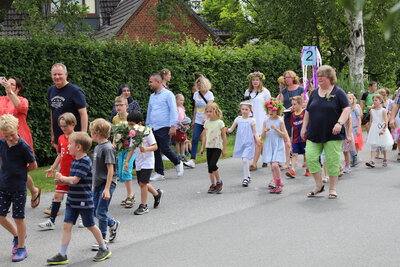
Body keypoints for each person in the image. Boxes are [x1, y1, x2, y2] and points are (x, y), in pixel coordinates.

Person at [47, 132, 111, 265]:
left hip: (83, 201)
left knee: (90, 225)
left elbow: (75, 180)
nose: (68, 146)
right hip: (72, 200)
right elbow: (73, 181)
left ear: (78, 147)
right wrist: (62, 182)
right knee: (66, 225)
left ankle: (104, 248)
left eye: (70, 144)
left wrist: (62, 178)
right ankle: (62, 254)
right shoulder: (75, 160)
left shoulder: (85, 161)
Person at [300, 65, 350, 199]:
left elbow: (346, 109)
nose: (319, 78)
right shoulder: (315, 92)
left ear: (330, 77)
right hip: (314, 132)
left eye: (322, 76)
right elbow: (308, 111)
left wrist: (339, 123)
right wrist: (304, 127)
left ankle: (332, 188)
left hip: (332, 133)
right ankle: (319, 185)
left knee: (332, 160)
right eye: (318, 76)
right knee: (310, 157)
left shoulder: (338, 92)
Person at [0, 114, 37, 262]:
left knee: (18, 217)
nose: (10, 138)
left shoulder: (23, 147)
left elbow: (33, 165)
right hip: (3, 185)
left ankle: (21, 248)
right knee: (1, 217)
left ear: (17, 128)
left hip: (18, 187)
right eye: (6, 135)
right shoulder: (2, 143)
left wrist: (20, 172)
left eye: (12, 134)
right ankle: (17, 236)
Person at [0, 78, 41, 208]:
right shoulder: (1, 100)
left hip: (19, 139)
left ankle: (33, 190)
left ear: (18, 88)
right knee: (4, 168)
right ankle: (7, 197)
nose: (9, 86)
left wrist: (10, 92)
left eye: (12, 85)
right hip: (3, 139)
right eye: (8, 84)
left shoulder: (23, 100)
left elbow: (21, 108)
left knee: (19, 169)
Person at [39, 113, 76, 230]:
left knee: (76, 197)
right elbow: (60, 155)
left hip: (74, 173)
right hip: (63, 172)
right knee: (57, 195)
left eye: (65, 126)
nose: (63, 129)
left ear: (73, 124)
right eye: (61, 126)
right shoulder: (60, 138)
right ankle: (51, 221)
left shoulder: (77, 138)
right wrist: (53, 168)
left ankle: (82, 218)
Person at [125, 111, 164, 215]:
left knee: (143, 183)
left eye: (132, 124)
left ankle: (143, 206)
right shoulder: (133, 134)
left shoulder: (147, 132)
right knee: (142, 183)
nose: (130, 127)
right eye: (129, 124)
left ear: (140, 124)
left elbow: (155, 146)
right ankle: (156, 194)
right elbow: (131, 148)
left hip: (148, 161)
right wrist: (127, 161)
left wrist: (146, 149)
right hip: (139, 161)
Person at [89, 118, 120, 249]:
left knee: (101, 212)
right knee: (95, 212)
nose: (90, 133)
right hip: (97, 184)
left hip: (107, 184)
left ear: (96, 132)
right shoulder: (97, 147)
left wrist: (107, 189)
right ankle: (113, 223)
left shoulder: (108, 148)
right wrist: (93, 185)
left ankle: (102, 239)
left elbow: (110, 169)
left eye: (91, 131)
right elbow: (96, 169)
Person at [146, 73, 183, 181]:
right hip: (153, 127)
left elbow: (173, 110)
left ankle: (177, 162)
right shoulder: (152, 96)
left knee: (165, 148)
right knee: (155, 150)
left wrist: (173, 126)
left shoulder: (168, 94)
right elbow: (149, 111)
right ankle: (159, 172)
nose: (149, 84)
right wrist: (147, 125)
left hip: (165, 126)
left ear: (158, 82)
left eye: (151, 82)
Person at [48, 63, 88, 149]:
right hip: (59, 136)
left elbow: (83, 114)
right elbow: (52, 112)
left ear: (66, 74)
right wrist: (53, 134)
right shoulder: (51, 90)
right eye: (54, 74)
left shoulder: (75, 91)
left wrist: (83, 135)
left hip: (73, 136)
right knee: (62, 159)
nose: (57, 77)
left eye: (60, 74)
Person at [227, 101, 261, 187]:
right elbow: (231, 129)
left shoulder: (251, 120)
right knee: (244, 160)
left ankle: (245, 178)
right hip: (240, 143)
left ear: (250, 110)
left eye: (246, 109)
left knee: (245, 159)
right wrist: (223, 129)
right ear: (240, 109)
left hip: (248, 143)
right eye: (243, 109)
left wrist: (258, 140)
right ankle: (248, 176)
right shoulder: (238, 119)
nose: (244, 111)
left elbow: (255, 132)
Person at [243, 72, 271, 171]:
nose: (255, 82)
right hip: (251, 119)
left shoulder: (265, 92)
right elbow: (245, 105)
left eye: (257, 80)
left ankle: (254, 164)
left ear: (260, 81)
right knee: (257, 141)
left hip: (261, 119)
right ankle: (266, 158)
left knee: (257, 140)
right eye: (253, 80)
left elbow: (269, 106)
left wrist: (269, 118)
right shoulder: (248, 92)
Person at [112, 96, 136, 208]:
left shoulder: (130, 118)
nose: (118, 107)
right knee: (121, 172)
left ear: (126, 106)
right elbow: (114, 133)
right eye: (116, 105)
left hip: (130, 148)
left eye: (120, 105)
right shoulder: (115, 119)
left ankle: (131, 195)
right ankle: (128, 194)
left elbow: (136, 133)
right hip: (120, 149)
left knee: (127, 170)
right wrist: (114, 143)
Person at [184, 76, 214, 168]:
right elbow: (196, 108)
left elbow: (210, 108)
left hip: (208, 120)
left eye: (200, 85)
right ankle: (192, 160)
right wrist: (193, 120)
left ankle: (212, 158)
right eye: (198, 85)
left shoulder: (209, 94)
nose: (199, 87)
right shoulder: (196, 94)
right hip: (198, 120)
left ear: (205, 85)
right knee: (195, 138)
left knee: (210, 139)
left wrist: (206, 118)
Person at [261, 99, 288, 194]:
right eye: (269, 110)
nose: (271, 112)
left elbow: (284, 134)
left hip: (277, 144)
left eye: (273, 110)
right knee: (272, 166)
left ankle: (279, 183)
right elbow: (263, 137)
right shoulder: (266, 121)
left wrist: (276, 130)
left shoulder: (280, 121)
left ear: (277, 111)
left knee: (275, 165)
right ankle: (276, 184)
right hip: (269, 144)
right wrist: (264, 132)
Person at [200, 103, 227, 194]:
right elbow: (204, 136)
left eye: (210, 111)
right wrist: (202, 148)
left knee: (212, 164)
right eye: (207, 111)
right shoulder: (206, 123)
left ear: (216, 111)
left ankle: (219, 181)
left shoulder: (220, 123)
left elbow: (224, 136)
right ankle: (213, 184)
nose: (208, 113)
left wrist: (224, 149)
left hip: (217, 146)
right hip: (209, 146)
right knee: (210, 168)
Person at [365, 94, 394, 168]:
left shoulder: (383, 110)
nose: (374, 102)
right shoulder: (371, 110)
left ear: (380, 101)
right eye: (373, 100)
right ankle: (372, 161)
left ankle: (385, 159)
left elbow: (385, 121)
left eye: (376, 100)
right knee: (373, 145)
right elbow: (371, 121)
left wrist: (384, 130)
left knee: (383, 145)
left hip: (381, 128)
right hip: (374, 129)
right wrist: (370, 130)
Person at [285, 96, 309, 178]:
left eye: (295, 104)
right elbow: (292, 127)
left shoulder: (305, 113)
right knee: (294, 153)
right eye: (292, 104)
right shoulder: (293, 115)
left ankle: (308, 169)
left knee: (306, 153)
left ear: (300, 104)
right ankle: (293, 170)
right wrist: (291, 138)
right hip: (295, 138)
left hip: (304, 137)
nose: (293, 106)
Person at [277, 70, 304, 137]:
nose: (287, 79)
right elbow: (280, 104)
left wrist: (294, 107)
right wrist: (284, 108)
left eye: (289, 77)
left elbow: (305, 102)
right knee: (288, 136)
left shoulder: (301, 89)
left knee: (299, 136)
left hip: (299, 116)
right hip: (288, 116)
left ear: (293, 78)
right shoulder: (284, 91)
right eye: (285, 78)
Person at [172, 94, 190, 162]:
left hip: (183, 128)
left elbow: (185, 117)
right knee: (177, 142)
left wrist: (186, 124)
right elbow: (176, 119)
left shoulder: (182, 108)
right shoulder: (175, 109)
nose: (182, 102)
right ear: (176, 100)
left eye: (183, 100)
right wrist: (182, 125)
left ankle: (183, 155)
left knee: (183, 141)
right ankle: (178, 155)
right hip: (178, 128)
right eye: (180, 100)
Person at [348, 93, 362, 166]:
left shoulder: (355, 108)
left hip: (354, 128)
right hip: (348, 128)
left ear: (353, 100)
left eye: (350, 98)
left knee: (352, 143)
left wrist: (359, 128)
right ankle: (353, 158)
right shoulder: (346, 108)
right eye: (347, 98)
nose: (348, 100)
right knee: (349, 144)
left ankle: (354, 157)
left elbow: (359, 119)